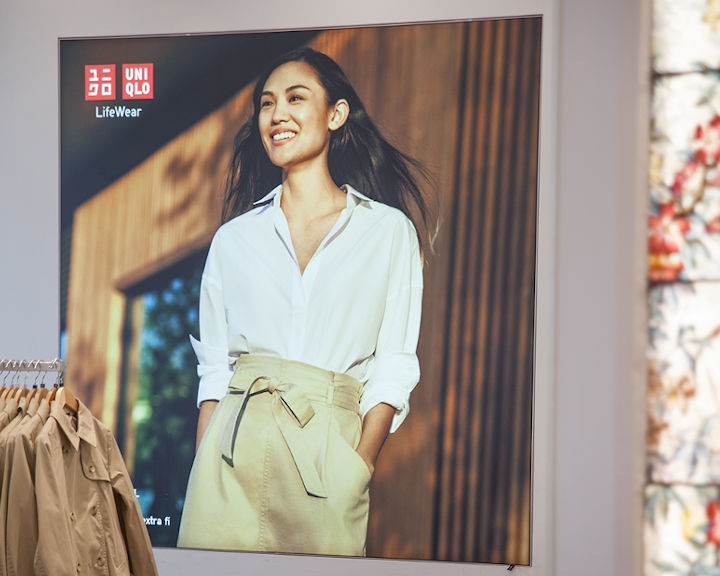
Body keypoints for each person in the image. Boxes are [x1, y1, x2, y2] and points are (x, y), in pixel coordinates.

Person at [177, 47, 431, 557]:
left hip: (327, 456)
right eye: (267, 104)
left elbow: (394, 366)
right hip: (229, 455)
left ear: (336, 115)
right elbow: (214, 376)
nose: (277, 114)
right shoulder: (233, 239)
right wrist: (203, 464)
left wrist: (357, 467)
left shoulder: (386, 232)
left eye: (296, 97)